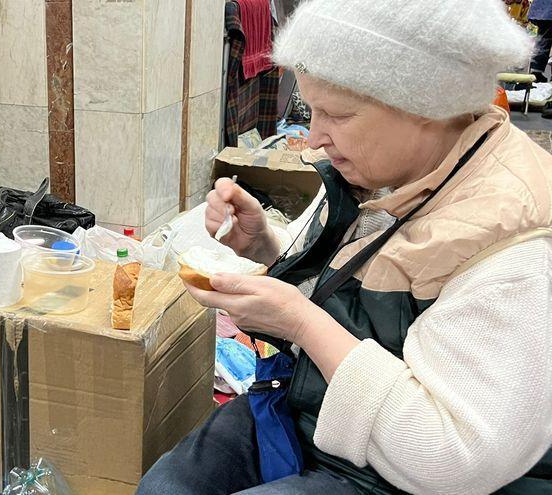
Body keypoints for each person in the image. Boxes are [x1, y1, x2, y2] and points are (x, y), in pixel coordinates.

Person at [138, 0, 552, 494]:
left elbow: (450, 458)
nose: (313, 138)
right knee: (168, 486)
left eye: (336, 114)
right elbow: (361, 298)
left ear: (426, 105)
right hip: (310, 406)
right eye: (311, 110)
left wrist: (301, 321)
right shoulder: (392, 173)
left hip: (405, 473)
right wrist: (267, 251)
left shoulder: (519, 247)